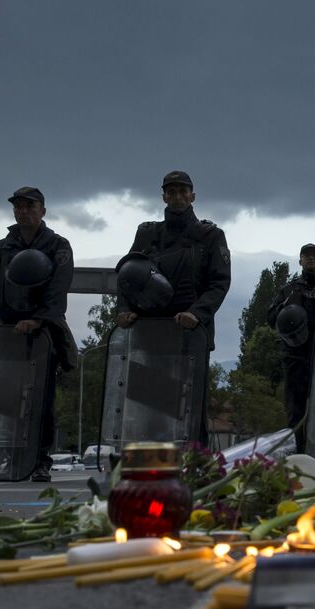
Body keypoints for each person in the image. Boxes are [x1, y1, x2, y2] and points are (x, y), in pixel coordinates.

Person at [0, 187, 77, 482]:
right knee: (10, 400)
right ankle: (13, 463)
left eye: (29, 206)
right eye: (18, 207)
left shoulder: (58, 245)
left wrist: (37, 320)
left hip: (43, 334)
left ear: (42, 211)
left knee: (40, 400)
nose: (23, 211)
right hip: (8, 331)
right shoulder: (3, 247)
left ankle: (40, 462)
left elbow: (58, 288)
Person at [115, 170, 231, 442]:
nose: (177, 196)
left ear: (192, 196)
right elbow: (128, 278)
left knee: (189, 403)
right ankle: (149, 460)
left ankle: (195, 464)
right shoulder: (147, 234)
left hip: (191, 334)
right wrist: (123, 310)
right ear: (164, 196)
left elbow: (219, 283)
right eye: (171, 192)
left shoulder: (210, 236)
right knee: (149, 401)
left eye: (182, 191)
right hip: (150, 332)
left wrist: (196, 313)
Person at [266, 243, 315, 452]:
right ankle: (296, 455)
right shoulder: (290, 289)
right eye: (306, 256)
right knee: (295, 412)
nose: (311, 259)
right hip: (295, 357)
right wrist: (286, 307)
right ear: (300, 260)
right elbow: (271, 318)